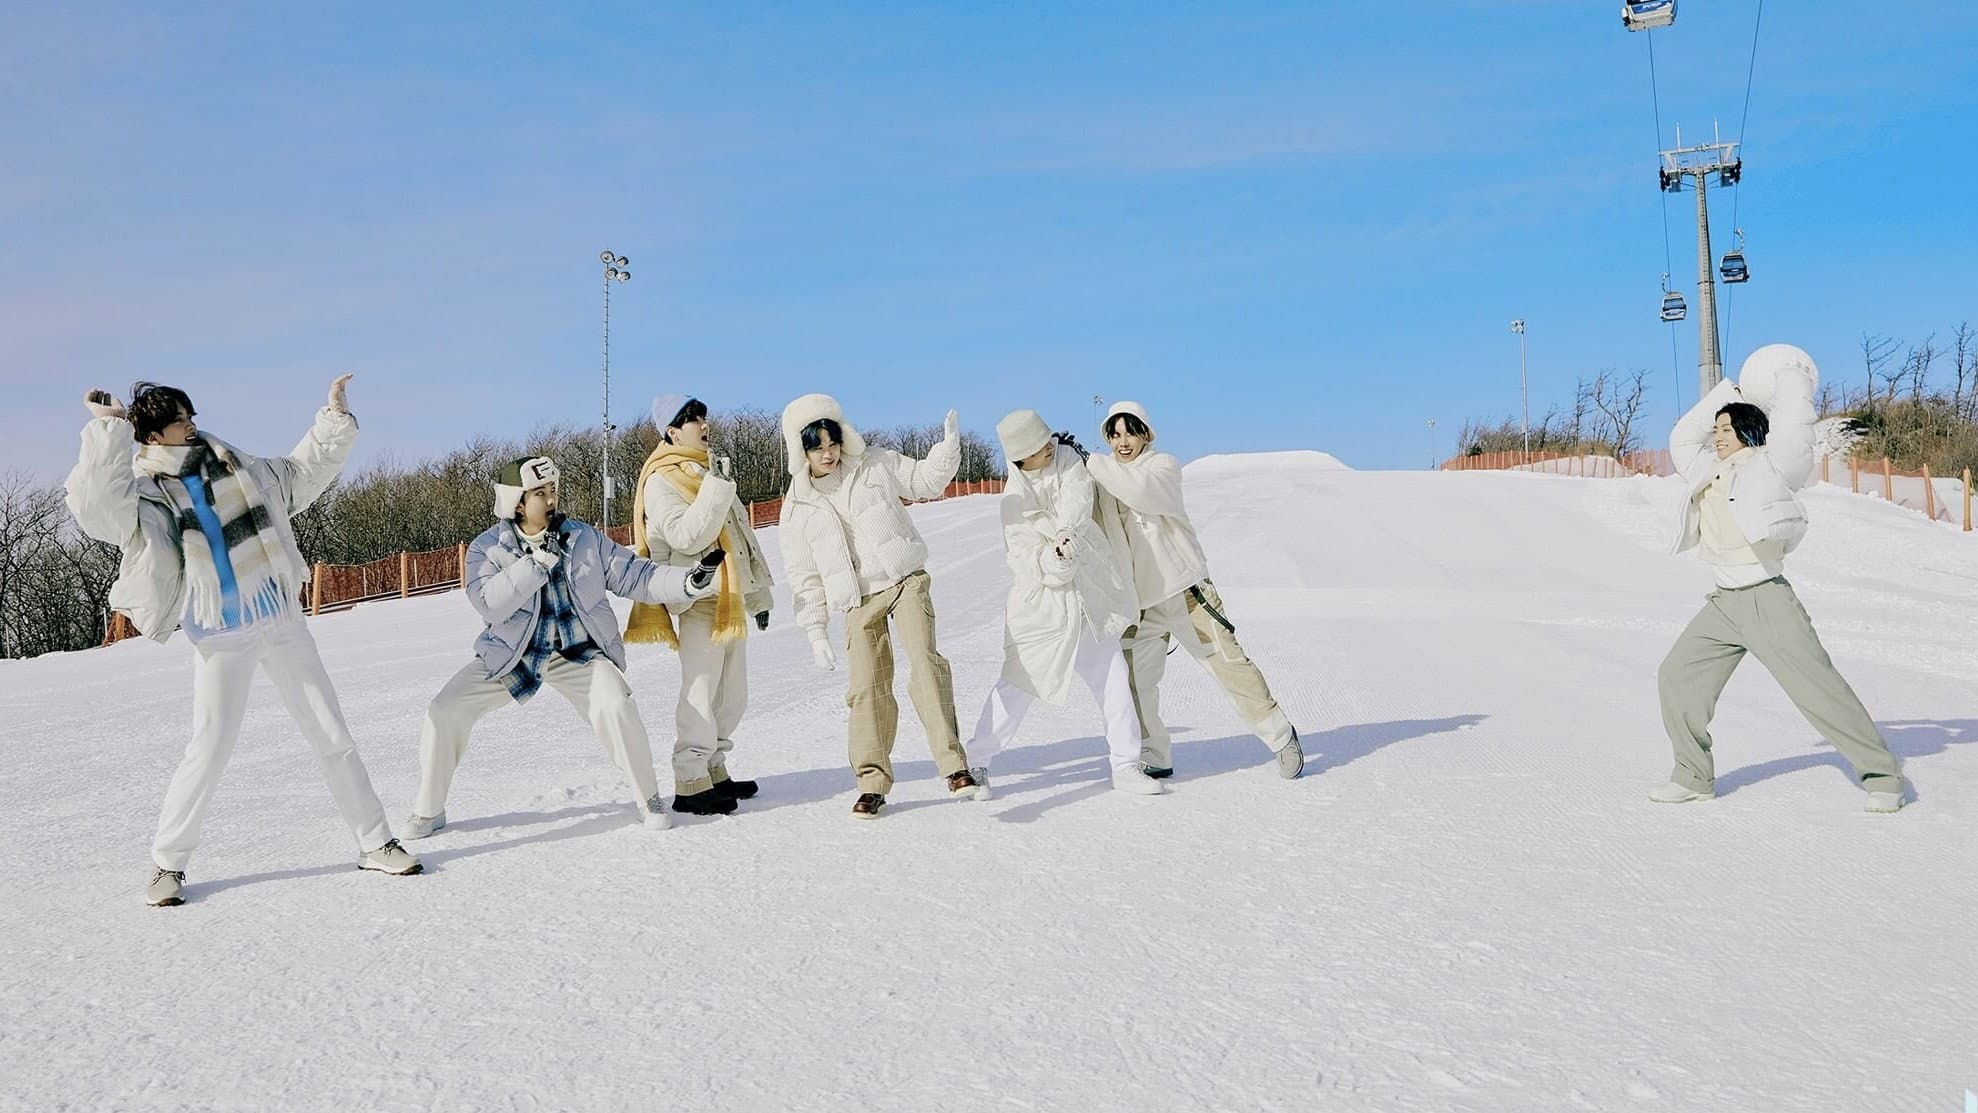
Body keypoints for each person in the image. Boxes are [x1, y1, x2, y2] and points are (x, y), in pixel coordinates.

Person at [64, 377, 420, 908]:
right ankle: (168, 864)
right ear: (156, 436)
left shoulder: (237, 464)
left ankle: (375, 841)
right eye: (182, 422)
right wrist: (109, 428)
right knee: (209, 748)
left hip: (279, 618)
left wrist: (331, 420)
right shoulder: (142, 492)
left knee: (331, 733)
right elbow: (95, 509)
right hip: (221, 633)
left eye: (192, 415)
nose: (194, 425)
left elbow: (300, 476)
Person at [1650, 343, 1906, 813]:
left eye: (1728, 429)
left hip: (1766, 598)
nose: (1719, 435)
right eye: (1718, 429)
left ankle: (1882, 775)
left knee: (1818, 690)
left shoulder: (1771, 464)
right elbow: (1683, 436)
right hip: (1724, 603)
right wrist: (1733, 392)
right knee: (1676, 677)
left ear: (1749, 432)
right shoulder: (1706, 468)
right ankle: (1692, 775)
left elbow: (1793, 430)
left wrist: (1789, 378)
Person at [405, 455, 714, 837]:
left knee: (615, 703)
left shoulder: (583, 537)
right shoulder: (487, 548)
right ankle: (429, 809)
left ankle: (647, 798)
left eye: (552, 490)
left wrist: (688, 583)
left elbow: (636, 576)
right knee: (443, 710)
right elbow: (487, 601)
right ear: (516, 502)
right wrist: (535, 564)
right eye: (539, 493)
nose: (550, 499)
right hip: (514, 654)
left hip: (578, 654)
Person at [776, 394, 980, 819]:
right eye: (817, 447)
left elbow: (925, 482)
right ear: (802, 452)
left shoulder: (874, 463)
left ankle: (954, 767)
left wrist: (946, 449)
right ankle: (871, 783)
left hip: (904, 580)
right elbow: (804, 576)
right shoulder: (797, 507)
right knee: (866, 690)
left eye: (832, 443)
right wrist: (816, 634)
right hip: (857, 600)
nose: (828, 453)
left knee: (925, 664)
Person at [1085, 401, 1304, 780]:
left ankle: (1281, 736)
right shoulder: (1104, 481)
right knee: (1135, 685)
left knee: (1229, 667)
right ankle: (1154, 753)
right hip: (1141, 606)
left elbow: (1140, 493)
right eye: (1115, 434)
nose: (1123, 442)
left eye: (1130, 432)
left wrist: (1091, 461)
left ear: (1145, 434)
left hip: (1187, 595)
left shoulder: (1162, 467)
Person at [962, 411, 1164, 796]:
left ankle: (1125, 766)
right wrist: (1052, 560)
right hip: (1043, 608)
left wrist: (1067, 537)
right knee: (1018, 686)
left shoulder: (1067, 458)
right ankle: (978, 763)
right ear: (1022, 458)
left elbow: (1078, 500)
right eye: (1040, 448)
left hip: (1089, 599)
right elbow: (1021, 558)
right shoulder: (1013, 504)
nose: (1049, 449)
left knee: (1113, 678)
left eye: (1048, 440)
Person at [627, 394, 776, 816]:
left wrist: (759, 595)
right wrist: (716, 487)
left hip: (729, 600)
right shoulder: (662, 479)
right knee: (700, 692)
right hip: (697, 600)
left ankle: (714, 768)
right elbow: (685, 537)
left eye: (702, 416)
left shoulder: (708, 471)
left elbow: (743, 539)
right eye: (691, 419)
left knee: (733, 697)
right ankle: (690, 779)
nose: (702, 424)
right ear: (672, 432)